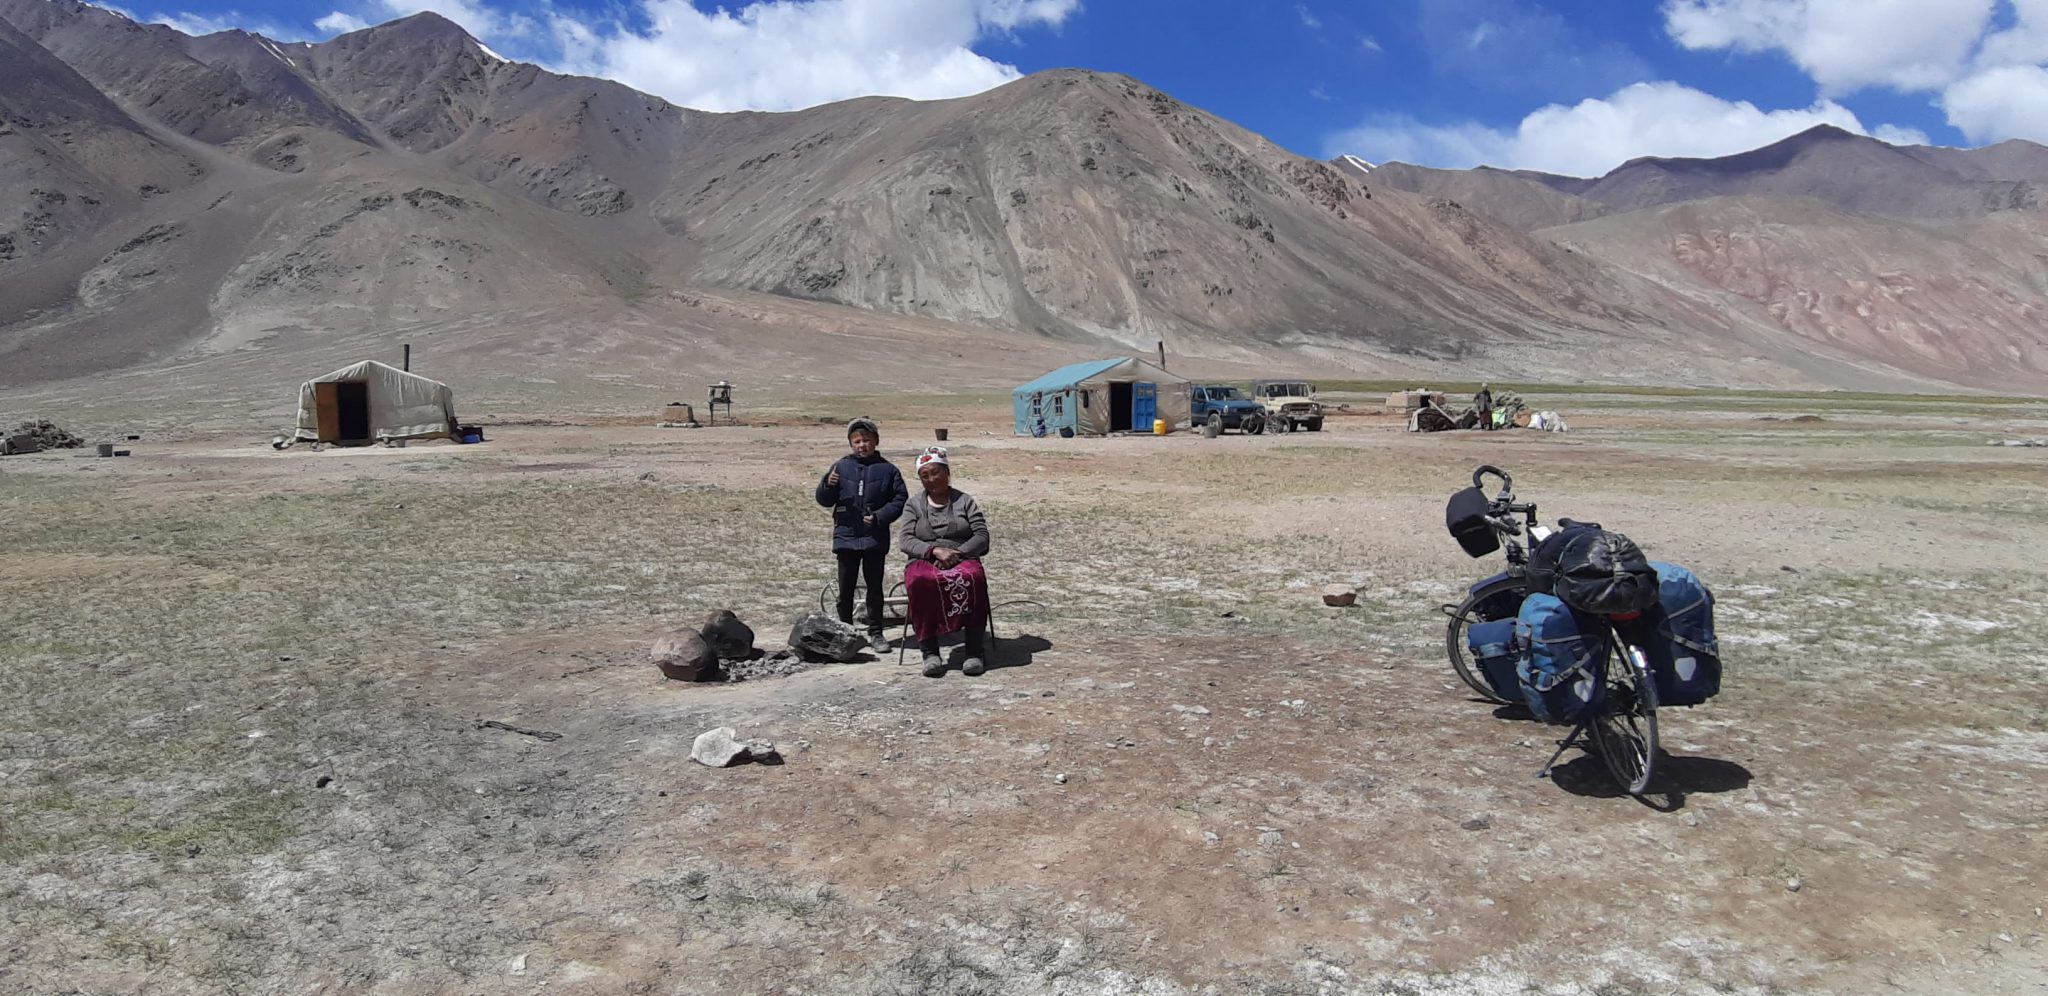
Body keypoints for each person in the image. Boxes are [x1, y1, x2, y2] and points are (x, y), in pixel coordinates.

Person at [815, 417, 907, 652]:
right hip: (846, 535)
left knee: (874, 588)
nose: (861, 445)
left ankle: (876, 633)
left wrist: (879, 517)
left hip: (874, 537)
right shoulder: (840, 467)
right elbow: (824, 500)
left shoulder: (888, 470)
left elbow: (899, 499)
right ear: (850, 444)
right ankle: (845, 632)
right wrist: (828, 484)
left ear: (876, 441)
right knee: (845, 588)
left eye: (866, 440)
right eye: (856, 441)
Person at [898, 446, 991, 677]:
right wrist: (933, 551)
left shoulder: (964, 501)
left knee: (973, 578)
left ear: (947, 472)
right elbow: (905, 539)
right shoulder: (914, 505)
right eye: (924, 475)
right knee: (920, 580)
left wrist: (956, 554)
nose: (931, 479)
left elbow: (981, 535)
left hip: (962, 555)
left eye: (936, 472)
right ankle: (930, 652)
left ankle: (973, 652)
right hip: (925, 557)